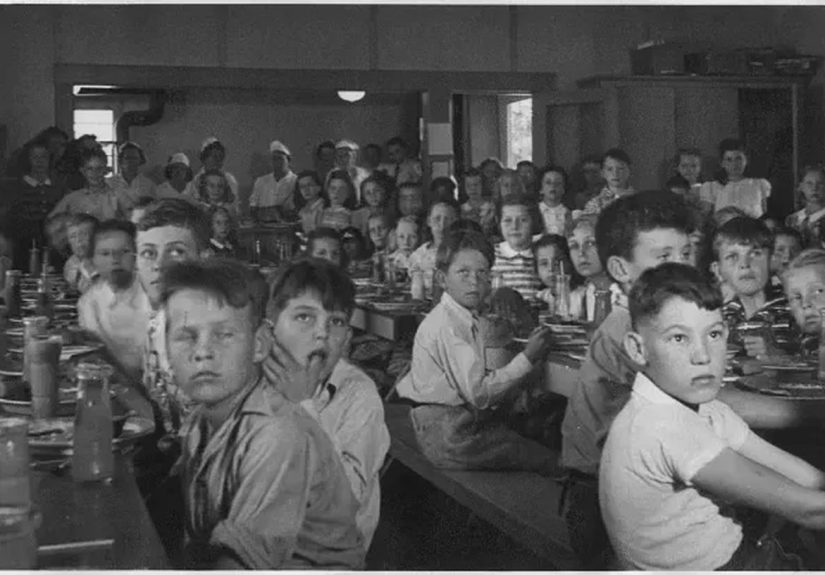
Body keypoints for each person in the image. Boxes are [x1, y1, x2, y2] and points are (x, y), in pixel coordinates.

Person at [600, 263, 822, 570]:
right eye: (679, 338)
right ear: (638, 349)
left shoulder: (703, 406)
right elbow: (809, 511)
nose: (703, 355)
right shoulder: (662, 423)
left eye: (714, 334)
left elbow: (806, 478)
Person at [162, 259, 365, 569]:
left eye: (224, 334)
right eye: (186, 336)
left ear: (260, 345)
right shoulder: (202, 420)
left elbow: (239, 563)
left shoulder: (277, 433)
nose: (202, 352)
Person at [559, 190, 694, 569]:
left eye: (686, 253)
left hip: (626, 489)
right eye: (664, 257)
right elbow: (709, 403)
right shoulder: (628, 329)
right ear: (620, 269)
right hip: (602, 507)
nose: (682, 268)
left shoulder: (651, 319)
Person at [396, 228, 557, 472]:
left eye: (482, 272)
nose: (474, 281)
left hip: (442, 423)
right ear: (442, 279)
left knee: (524, 429)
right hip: (449, 435)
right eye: (463, 272)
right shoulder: (448, 326)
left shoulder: (458, 315)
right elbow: (480, 395)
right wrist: (528, 356)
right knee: (538, 455)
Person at [260, 259, 390, 549]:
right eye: (304, 317)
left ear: (347, 339)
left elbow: (344, 502)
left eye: (336, 322)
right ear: (271, 330)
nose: (322, 332)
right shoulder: (254, 383)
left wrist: (302, 405)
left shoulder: (359, 396)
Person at [136, 198, 212, 433]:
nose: (159, 265)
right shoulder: (156, 322)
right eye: (148, 253)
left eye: (176, 251)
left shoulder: (218, 331)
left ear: (204, 258)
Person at [78, 219, 150, 378]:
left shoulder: (152, 295)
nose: (115, 260)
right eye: (105, 253)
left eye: (124, 252)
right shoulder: (89, 302)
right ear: (93, 260)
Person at [711, 216, 791, 357]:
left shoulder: (791, 309)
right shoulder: (719, 318)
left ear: (772, 260)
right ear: (718, 270)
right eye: (732, 256)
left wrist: (775, 355)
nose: (745, 264)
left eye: (755, 253)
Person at [6, 139, 66, 270]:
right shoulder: (16, 187)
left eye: (44, 157)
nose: (40, 161)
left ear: (50, 159)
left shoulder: (59, 186)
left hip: (53, 245)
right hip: (22, 245)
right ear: (28, 160)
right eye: (35, 157)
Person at [49, 148, 131, 221]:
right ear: (82, 171)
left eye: (99, 168)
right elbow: (51, 221)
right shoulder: (72, 198)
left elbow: (134, 219)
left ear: (106, 170)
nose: (95, 173)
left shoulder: (118, 195)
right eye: (90, 169)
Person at [700, 138, 771, 218]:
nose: (734, 164)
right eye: (729, 160)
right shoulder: (711, 187)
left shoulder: (760, 184)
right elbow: (705, 217)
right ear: (722, 163)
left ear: (746, 160)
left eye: (738, 159)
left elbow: (766, 216)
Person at [491, 199, 542, 301]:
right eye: (507, 220)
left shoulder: (543, 252)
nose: (514, 226)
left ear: (533, 222)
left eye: (523, 220)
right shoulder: (490, 254)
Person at [565, 215, 612, 324]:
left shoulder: (626, 296)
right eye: (574, 246)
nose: (581, 253)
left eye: (590, 243)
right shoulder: (582, 295)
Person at [408, 201, 457, 296]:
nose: (442, 225)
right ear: (429, 221)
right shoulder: (420, 254)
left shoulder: (460, 252)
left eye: (447, 219)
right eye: (437, 219)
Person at [249, 140, 297, 223]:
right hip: (263, 226)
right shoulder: (261, 181)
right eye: (274, 159)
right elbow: (253, 206)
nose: (277, 162)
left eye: (280, 159)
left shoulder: (296, 181)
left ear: (288, 160)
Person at [191, 137, 239, 213]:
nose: (218, 160)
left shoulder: (229, 179)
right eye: (214, 156)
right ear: (204, 158)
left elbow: (234, 206)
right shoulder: (195, 181)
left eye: (221, 156)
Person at [582, 148, 635, 216]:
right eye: (610, 169)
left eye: (621, 169)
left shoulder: (640, 200)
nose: (615, 173)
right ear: (602, 173)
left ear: (630, 170)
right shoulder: (594, 204)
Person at [533, 234, 576, 309]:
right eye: (544, 263)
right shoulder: (540, 298)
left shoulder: (583, 296)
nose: (551, 269)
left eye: (557, 262)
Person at [786, 164, 825, 246]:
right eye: (809, 183)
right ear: (801, 187)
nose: (814, 188)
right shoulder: (792, 219)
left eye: (820, 183)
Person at [63, 213, 99, 293]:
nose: (78, 240)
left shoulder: (109, 263)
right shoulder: (71, 264)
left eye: (84, 234)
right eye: (73, 236)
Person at [459, 168, 496, 237]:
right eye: (468, 185)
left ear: (483, 185)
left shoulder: (492, 208)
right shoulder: (460, 209)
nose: (473, 189)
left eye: (476, 185)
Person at [537, 166, 572, 236]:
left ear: (563, 189)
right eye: (548, 182)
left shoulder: (569, 214)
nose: (553, 186)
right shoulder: (533, 212)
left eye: (558, 183)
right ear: (541, 189)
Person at [295, 170, 326, 235]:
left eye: (310, 185)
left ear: (319, 187)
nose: (306, 189)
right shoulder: (302, 210)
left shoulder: (325, 208)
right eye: (302, 187)